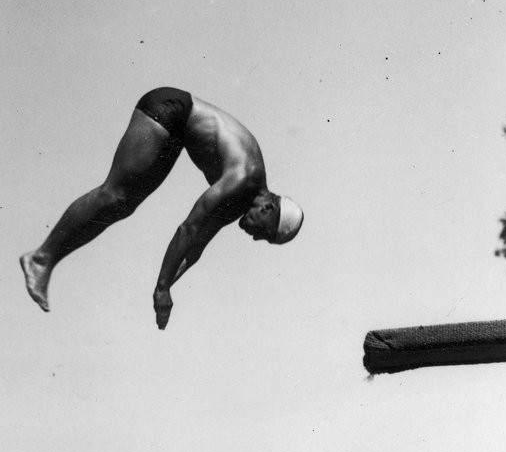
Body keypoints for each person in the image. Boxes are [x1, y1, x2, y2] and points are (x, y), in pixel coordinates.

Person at [20, 87, 304, 328]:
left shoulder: (239, 202)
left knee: (123, 205)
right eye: (264, 234)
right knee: (115, 196)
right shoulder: (244, 178)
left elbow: (195, 249)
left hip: (176, 129)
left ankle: (44, 260)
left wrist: (167, 287)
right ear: (268, 209)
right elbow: (189, 227)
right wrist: (161, 288)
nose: (254, 237)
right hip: (170, 110)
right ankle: (41, 259)